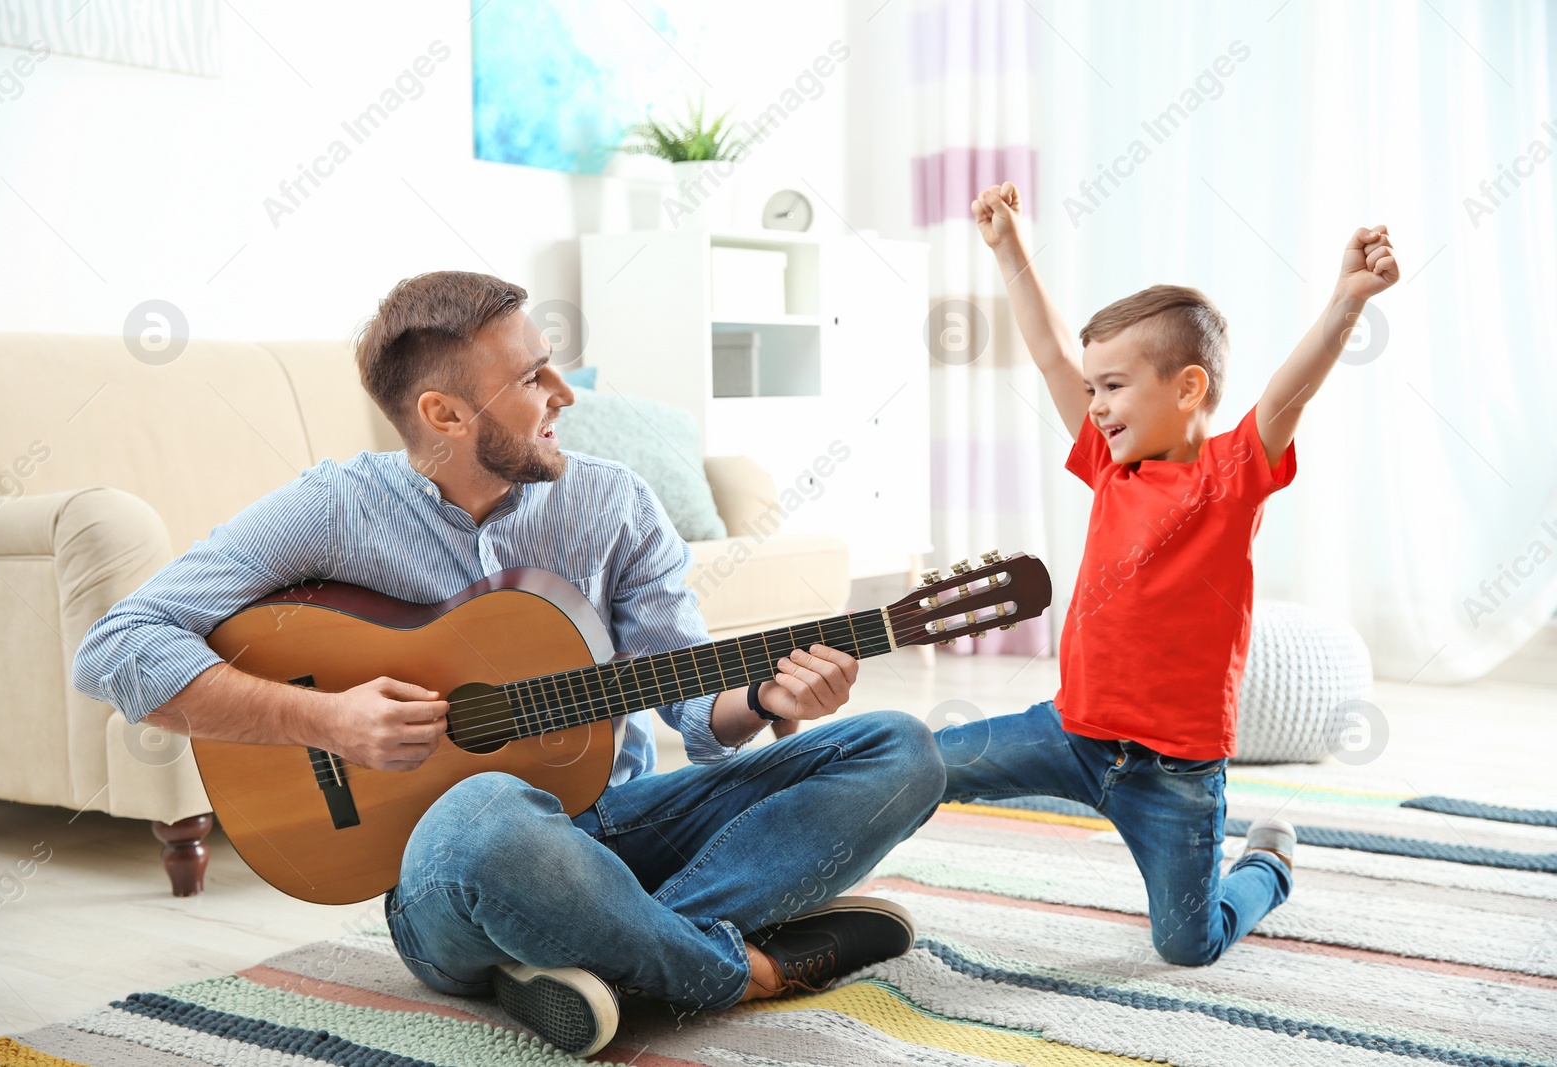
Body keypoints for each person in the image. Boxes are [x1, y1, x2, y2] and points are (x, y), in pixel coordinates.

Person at [72, 271, 947, 1057]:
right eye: (533, 379)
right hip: (457, 874)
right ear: (444, 415)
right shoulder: (333, 507)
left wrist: (758, 696)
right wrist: (328, 719)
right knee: (487, 810)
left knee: (901, 749)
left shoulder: (610, 499)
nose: (565, 392)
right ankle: (738, 968)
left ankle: (592, 952)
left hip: (621, 823)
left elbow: (690, 696)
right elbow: (116, 644)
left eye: (551, 365)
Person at [938, 182, 1399, 965]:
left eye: (1113, 387)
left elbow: (1292, 390)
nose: (1097, 406)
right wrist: (1009, 246)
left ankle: (1268, 867)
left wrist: (1347, 299)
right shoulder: (1107, 465)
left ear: (1188, 388)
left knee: (1189, 945)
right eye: (1092, 390)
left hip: (1176, 775)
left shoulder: (1232, 472)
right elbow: (1050, 350)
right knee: (920, 762)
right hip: (1070, 733)